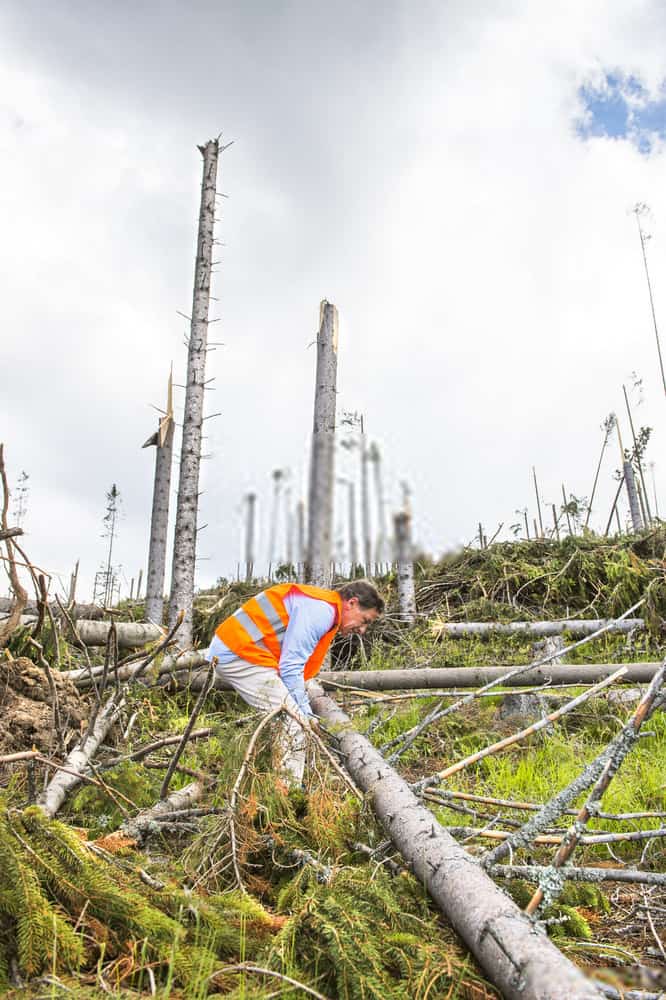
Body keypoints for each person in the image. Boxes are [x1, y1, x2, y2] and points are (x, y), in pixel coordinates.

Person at [205, 580, 384, 783]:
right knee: (293, 723)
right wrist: (307, 715)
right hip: (240, 655)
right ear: (352, 603)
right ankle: (288, 796)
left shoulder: (323, 606)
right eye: (365, 620)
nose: (362, 630)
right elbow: (290, 668)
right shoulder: (321, 611)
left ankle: (279, 782)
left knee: (291, 718)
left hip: (244, 652)